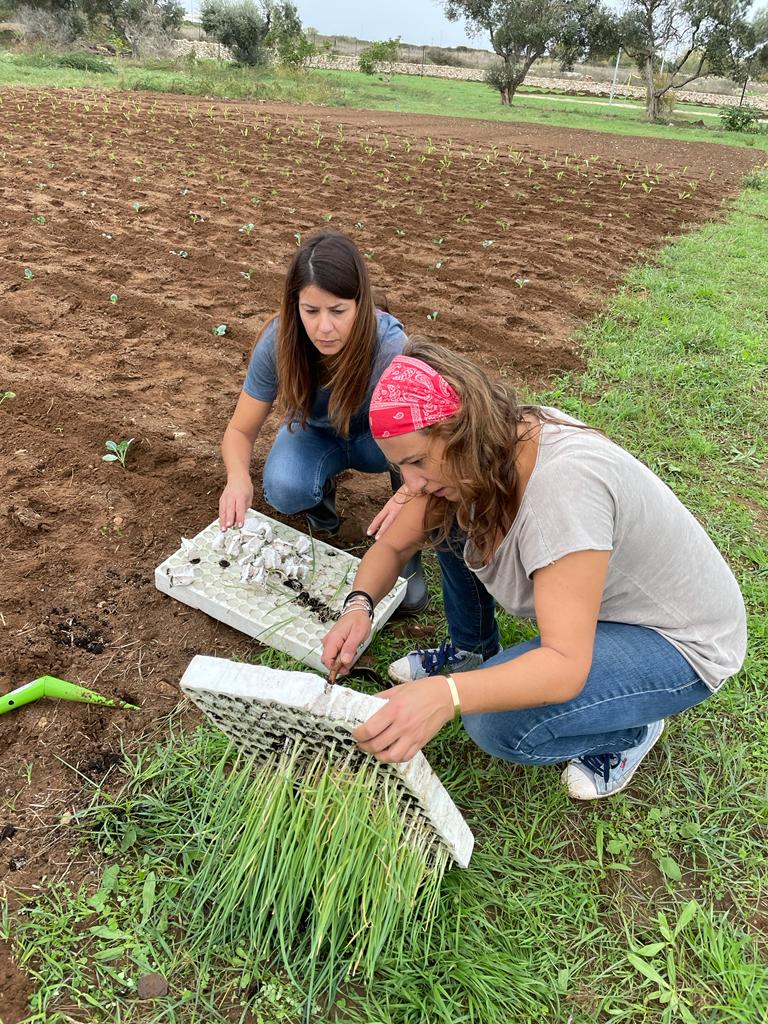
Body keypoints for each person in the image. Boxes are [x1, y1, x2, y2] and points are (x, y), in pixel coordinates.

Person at [321, 341, 747, 800]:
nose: (411, 484)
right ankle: (471, 652)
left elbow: (563, 667)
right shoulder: (491, 449)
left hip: (679, 642)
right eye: (401, 467)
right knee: (449, 517)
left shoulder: (562, 496)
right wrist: (358, 607)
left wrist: (448, 696)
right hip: (612, 605)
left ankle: (630, 730)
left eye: (418, 462)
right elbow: (393, 545)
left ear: (462, 428)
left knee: (494, 722)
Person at [218, 230, 433, 609]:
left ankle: (405, 546)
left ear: (360, 304)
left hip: (378, 440)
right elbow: (239, 429)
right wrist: (237, 478)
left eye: (338, 311)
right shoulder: (280, 341)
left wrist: (406, 495)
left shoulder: (388, 347)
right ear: (294, 305)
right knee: (284, 487)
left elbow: (427, 443)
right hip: (317, 434)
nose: (324, 328)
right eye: (310, 311)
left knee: (409, 453)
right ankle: (322, 508)